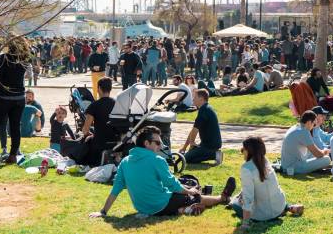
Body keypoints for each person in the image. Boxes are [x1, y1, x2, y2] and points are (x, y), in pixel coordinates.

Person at [90, 126, 236, 218]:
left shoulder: (125, 162)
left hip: (143, 208)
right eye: (158, 143)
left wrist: (103, 212)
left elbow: (116, 189)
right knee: (195, 194)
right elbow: (173, 185)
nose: (161, 146)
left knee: (184, 185)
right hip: (160, 204)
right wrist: (191, 192)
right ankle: (222, 198)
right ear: (147, 144)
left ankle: (183, 210)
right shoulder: (157, 160)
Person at [231, 136, 304, 229]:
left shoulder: (246, 168)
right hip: (279, 206)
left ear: (249, 151)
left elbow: (248, 198)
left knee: (234, 203)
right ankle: (289, 207)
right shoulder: (265, 161)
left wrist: (245, 223)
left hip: (262, 215)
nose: (242, 151)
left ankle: (227, 199)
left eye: (243, 149)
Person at [0, 38, 32, 165]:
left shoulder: (4, 57)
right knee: (15, 127)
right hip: (19, 97)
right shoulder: (25, 58)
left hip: (4, 97)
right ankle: (13, 155)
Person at [279, 110, 331, 175]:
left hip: (287, 164)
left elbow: (313, 150)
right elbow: (318, 154)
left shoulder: (295, 127)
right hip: (294, 168)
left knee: (314, 153)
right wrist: (325, 151)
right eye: (314, 124)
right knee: (327, 159)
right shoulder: (304, 131)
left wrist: (322, 152)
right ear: (309, 122)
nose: (313, 127)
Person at [179, 89, 223, 164]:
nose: (193, 99)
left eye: (195, 97)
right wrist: (185, 147)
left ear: (201, 99)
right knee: (188, 156)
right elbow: (193, 130)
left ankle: (215, 155)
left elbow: (195, 130)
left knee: (186, 158)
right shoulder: (206, 108)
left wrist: (192, 142)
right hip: (208, 144)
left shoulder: (204, 110)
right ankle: (213, 154)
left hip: (210, 146)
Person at [82, 77, 116, 166]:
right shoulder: (117, 104)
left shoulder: (94, 105)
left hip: (100, 143)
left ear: (99, 89)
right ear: (110, 89)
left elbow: (85, 130)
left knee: (86, 139)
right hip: (115, 142)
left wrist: (89, 134)